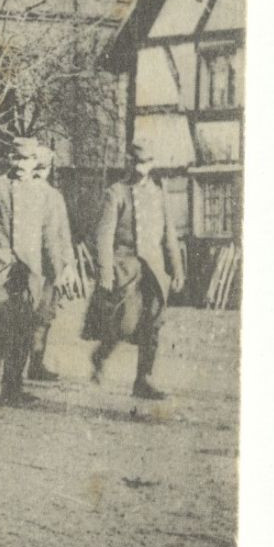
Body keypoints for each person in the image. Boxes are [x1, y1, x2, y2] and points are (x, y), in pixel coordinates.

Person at [0, 139, 71, 405]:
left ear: (36, 161)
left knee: (24, 329)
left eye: (28, 159)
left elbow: (50, 239)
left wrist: (59, 271)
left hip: (30, 273)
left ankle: (13, 388)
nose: (22, 165)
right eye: (18, 159)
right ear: (10, 158)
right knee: (1, 322)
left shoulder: (45, 195)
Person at [85, 138, 185, 401]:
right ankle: (101, 354)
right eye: (138, 162)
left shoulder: (159, 194)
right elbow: (103, 236)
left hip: (153, 270)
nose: (143, 168)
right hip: (125, 267)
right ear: (130, 162)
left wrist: (177, 269)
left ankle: (143, 380)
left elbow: (170, 236)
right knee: (126, 322)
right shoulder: (115, 193)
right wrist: (105, 270)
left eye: (148, 162)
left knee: (153, 322)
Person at [27, 146, 74, 382]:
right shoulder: (22, 193)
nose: (38, 173)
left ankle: (36, 363)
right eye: (35, 168)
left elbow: (63, 234)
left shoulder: (54, 197)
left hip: (48, 267)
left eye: (42, 169)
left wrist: (68, 266)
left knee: (44, 316)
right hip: (29, 265)